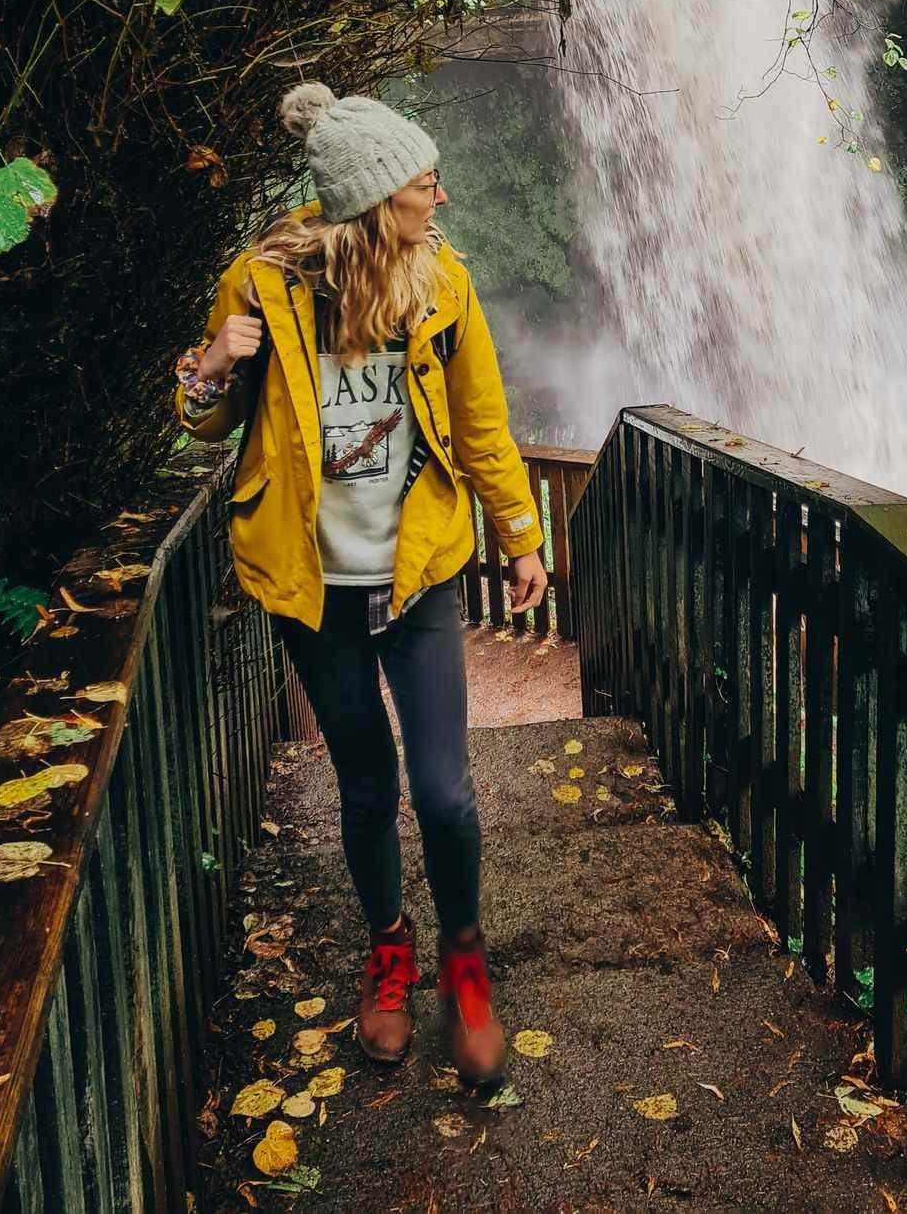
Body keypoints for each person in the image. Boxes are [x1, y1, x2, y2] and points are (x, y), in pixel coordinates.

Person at [172, 82, 549, 1084]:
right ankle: (390, 954)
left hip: (419, 573)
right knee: (367, 784)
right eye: (427, 184)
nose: (442, 198)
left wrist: (519, 536)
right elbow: (200, 419)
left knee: (446, 793)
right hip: (312, 585)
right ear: (379, 198)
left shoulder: (444, 287)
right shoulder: (261, 284)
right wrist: (211, 364)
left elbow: (480, 424)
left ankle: (464, 968)